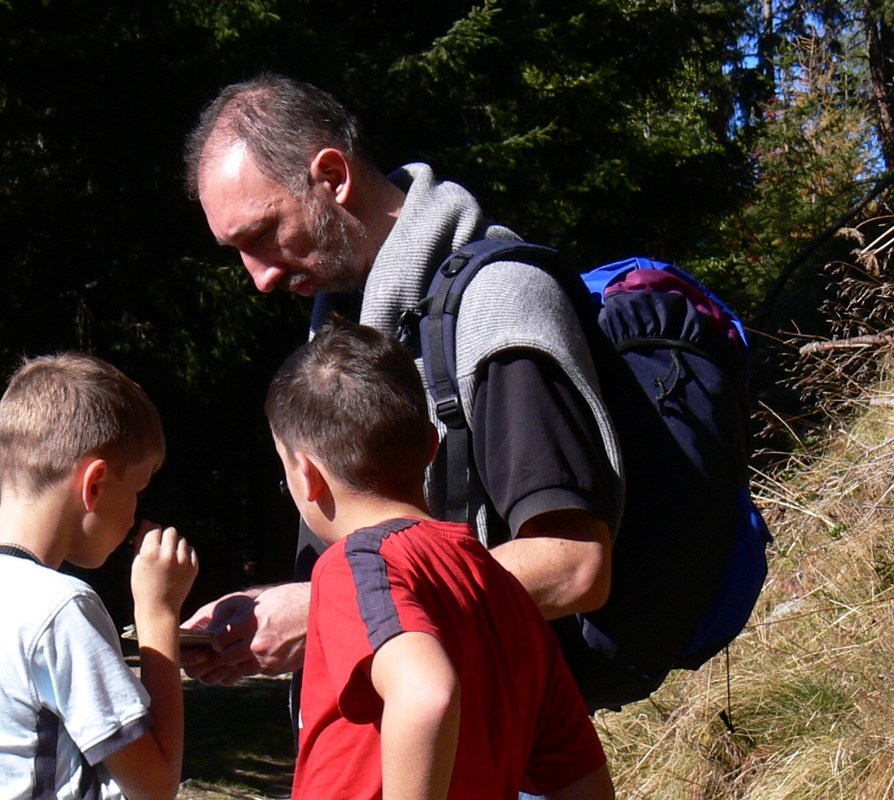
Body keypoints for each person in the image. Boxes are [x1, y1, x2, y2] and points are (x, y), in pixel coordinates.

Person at [180, 73, 661, 711]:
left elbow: (573, 565)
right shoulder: (349, 329)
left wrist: (329, 609)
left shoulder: (498, 305)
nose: (260, 277)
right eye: (236, 249)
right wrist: (277, 611)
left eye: (264, 233)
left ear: (333, 177)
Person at [268, 319, 613, 800]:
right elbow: (581, 780)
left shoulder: (356, 566)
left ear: (306, 475)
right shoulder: (502, 590)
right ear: (432, 446)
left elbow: (427, 695)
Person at [0, 353, 198, 800]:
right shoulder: (59, 610)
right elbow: (155, 785)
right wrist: (159, 612)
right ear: (95, 484)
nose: (136, 515)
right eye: (138, 489)